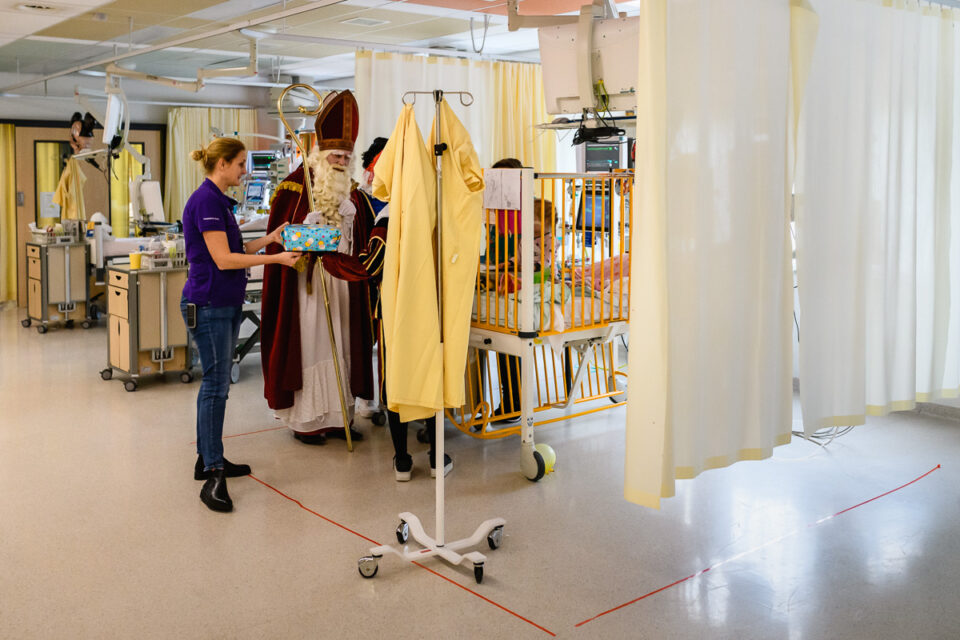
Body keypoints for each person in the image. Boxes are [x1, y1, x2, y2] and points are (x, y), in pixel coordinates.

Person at [181, 137, 301, 513]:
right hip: (210, 303)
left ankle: (209, 458)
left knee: (216, 387)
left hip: (223, 302)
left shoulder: (218, 203)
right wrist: (278, 260)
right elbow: (222, 260)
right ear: (222, 165)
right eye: (240, 164)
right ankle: (213, 472)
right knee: (216, 387)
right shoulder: (206, 202)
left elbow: (238, 249)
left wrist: (269, 239)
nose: (244, 171)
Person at [324, 139, 452, 481]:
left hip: (396, 311)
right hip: (434, 308)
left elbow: (370, 265)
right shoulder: (437, 206)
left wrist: (330, 257)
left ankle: (402, 460)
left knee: (396, 380)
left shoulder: (388, 215)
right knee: (429, 377)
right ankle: (438, 458)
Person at [260, 90, 364, 445]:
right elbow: (281, 239)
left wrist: (351, 224)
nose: (340, 161)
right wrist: (306, 229)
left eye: (346, 157)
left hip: (342, 286)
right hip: (306, 289)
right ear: (320, 152)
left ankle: (341, 419)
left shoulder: (353, 192)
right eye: (335, 154)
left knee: (344, 347)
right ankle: (307, 423)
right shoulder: (294, 185)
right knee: (313, 348)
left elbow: (359, 244)